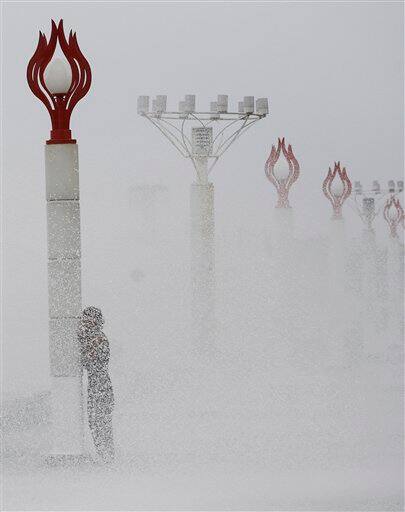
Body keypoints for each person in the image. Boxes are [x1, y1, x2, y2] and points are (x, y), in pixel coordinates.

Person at [78, 306, 115, 463]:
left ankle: (107, 456)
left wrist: (81, 345)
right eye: (84, 318)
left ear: (96, 321)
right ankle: (105, 455)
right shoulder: (92, 337)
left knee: (100, 423)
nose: (85, 322)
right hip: (97, 386)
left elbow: (89, 361)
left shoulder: (98, 339)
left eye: (89, 318)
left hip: (101, 387)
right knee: (96, 423)